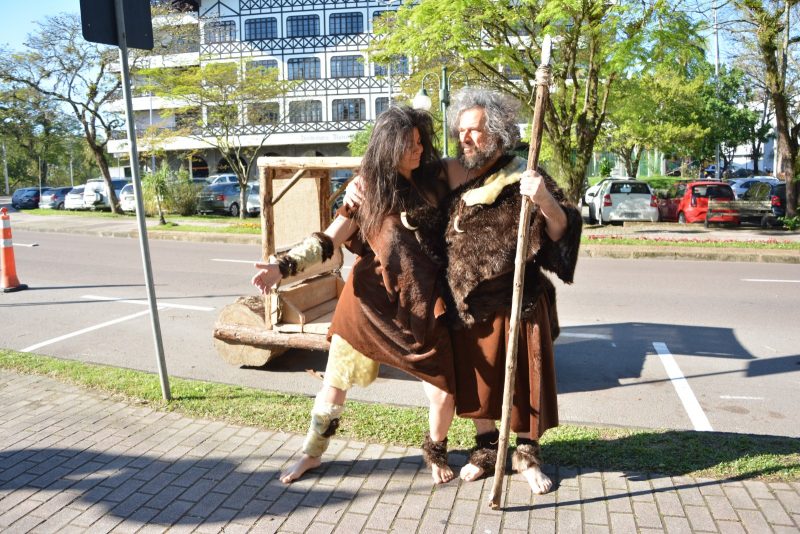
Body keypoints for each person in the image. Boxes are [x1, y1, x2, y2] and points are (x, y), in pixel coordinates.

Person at [252, 106, 457, 485]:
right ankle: (310, 454)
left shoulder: (432, 181)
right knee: (336, 382)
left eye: (419, 141)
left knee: (443, 393)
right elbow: (330, 239)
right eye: (408, 143)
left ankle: (435, 450)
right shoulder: (366, 190)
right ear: (388, 145)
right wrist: (283, 267)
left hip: (420, 304)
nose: (417, 149)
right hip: (366, 303)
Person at [442, 88, 582, 495]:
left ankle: (526, 456)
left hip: (519, 302)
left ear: (499, 133)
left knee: (525, 384)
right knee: (477, 384)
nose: (465, 138)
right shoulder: (457, 177)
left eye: (475, 131)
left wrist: (542, 201)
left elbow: (561, 230)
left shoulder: (526, 173)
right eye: (462, 131)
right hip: (469, 303)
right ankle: (486, 449)